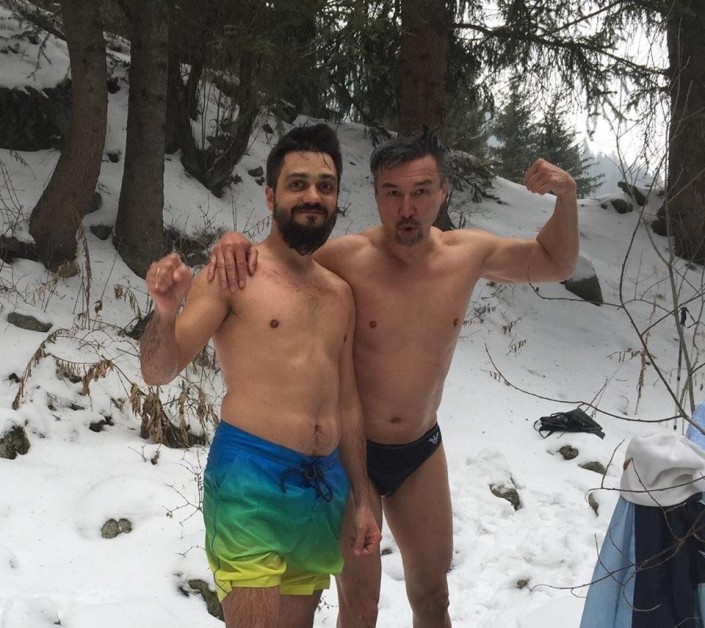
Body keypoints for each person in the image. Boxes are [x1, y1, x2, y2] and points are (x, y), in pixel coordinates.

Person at [207, 130, 579, 627]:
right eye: (393, 193)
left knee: (433, 598)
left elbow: (556, 261)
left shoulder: (467, 254)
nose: (407, 208)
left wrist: (567, 197)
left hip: (419, 451)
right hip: (349, 454)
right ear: (376, 193)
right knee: (360, 608)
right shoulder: (345, 258)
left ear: (443, 191)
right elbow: (274, 261)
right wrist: (233, 242)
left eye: (421, 191)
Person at [139, 124, 381, 628]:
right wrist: (164, 311)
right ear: (270, 195)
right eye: (297, 184)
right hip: (250, 478)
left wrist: (362, 496)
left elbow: (349, 402)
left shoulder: (340, 294)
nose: (312, 196)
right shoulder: (234, 274)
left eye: (325, 186)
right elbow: (158, 370)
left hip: (323, 488)